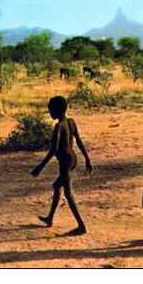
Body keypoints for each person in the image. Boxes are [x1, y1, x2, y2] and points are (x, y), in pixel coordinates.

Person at [30, 96, 93, 235]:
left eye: (51, 110)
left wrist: (40, 167)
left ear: (57, 111)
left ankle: (81, 226)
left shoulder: (59, 127)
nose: (50, 113)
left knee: (68, 194)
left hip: (65, 161)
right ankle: (50, 218)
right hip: (73, 159)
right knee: (56, 186)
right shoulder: (71, 122)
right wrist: (87, 159)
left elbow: (53, 150)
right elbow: (79, 142)